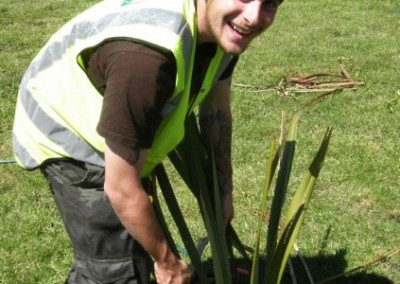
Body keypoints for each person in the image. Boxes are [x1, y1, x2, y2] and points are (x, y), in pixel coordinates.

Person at [12, 0, 282, 283]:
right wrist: (167, 264)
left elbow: (216, 111)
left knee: (140, 241)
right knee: (117, 270)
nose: (253, 17)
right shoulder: (148, 58)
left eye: (270, 3)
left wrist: (222, 192)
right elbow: (121, 189)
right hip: (67, 128)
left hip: (121, 110)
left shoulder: (224, 32)